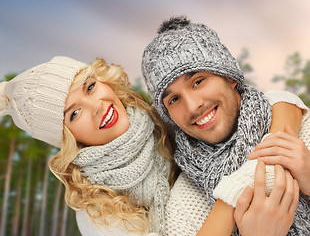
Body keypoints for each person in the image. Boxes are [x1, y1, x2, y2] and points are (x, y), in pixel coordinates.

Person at [0, 56, 304, 236]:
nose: (97, 106)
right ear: (65, 138)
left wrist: (258, 167)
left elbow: (269, 102)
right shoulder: (99, 215)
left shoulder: (164, 119)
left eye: (90, 87)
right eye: (74, 113)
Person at [141, 16, 310, 235]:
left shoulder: (302, 133)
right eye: (174, 100)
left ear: (230, 77)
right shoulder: (183, 207)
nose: (193, 106)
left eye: (198, 81)